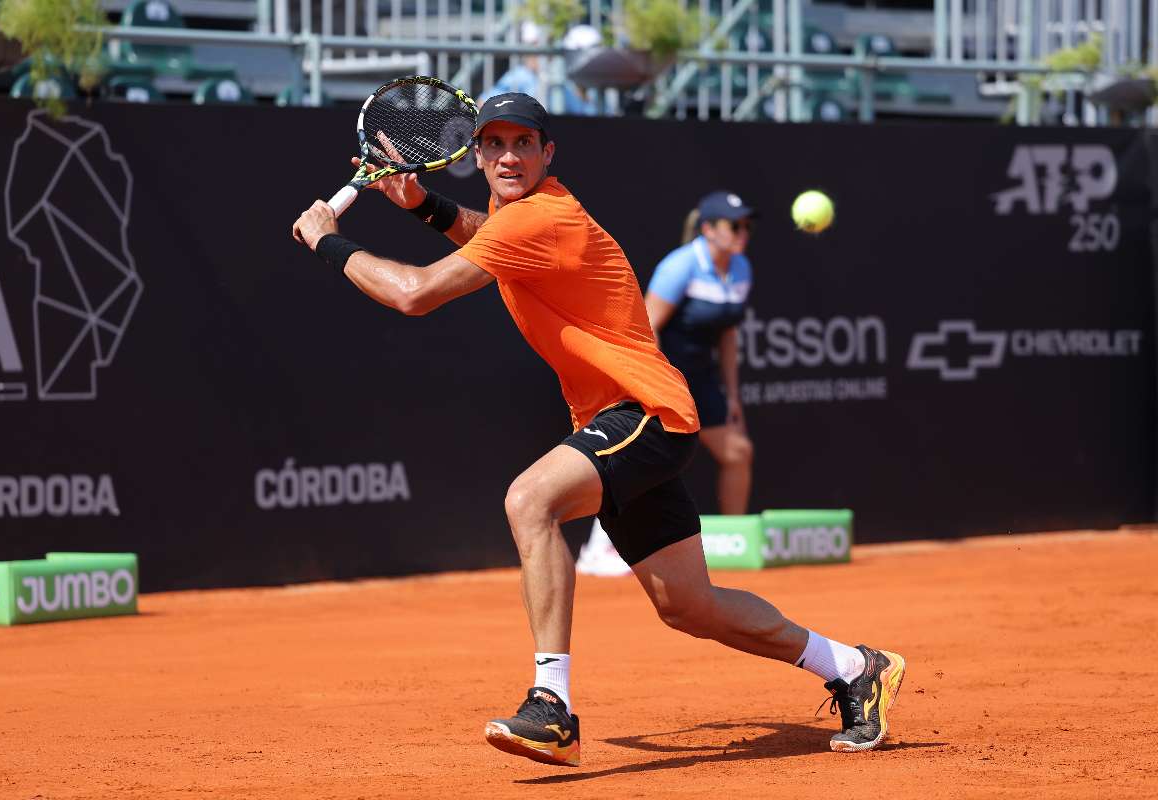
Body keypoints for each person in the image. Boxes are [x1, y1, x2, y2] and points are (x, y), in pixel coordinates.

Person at [291, 93, 906, 767]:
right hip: (628, 416)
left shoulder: (543, 215)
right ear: (477, 155)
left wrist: (328, 240)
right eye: (494, 144)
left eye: (523, 143)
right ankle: (855, 668)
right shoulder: (517, 215)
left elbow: (414, 293)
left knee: (531, 500)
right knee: (690, 607)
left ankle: (551, 706)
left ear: (547, 153)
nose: (508, 156)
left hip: (643, 411)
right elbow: (484, 232)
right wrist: (423, 206)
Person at [644, 192, 756, 514]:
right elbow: (648, 328)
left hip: (701, 378)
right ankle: (609, 537)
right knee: (649, 464)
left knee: (738, 452)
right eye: (734, 226)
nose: (743, 233)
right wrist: (661, 388)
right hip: (665, 379)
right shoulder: (679, 266)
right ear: (708, 229)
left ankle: (735, 536)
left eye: (746, 226)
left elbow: (728, 334)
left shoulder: (742, 268)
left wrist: (732, 395)